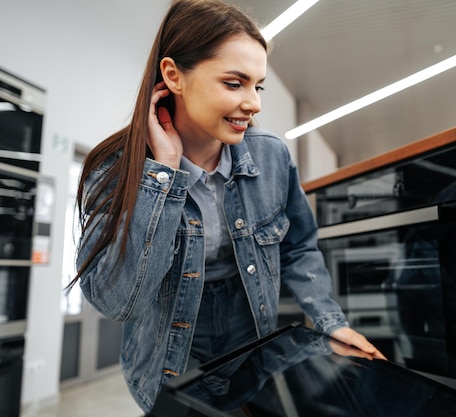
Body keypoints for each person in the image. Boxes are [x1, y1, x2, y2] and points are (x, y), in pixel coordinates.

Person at [71, 0, 385, 412]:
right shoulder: (118, 170)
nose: (254, 103)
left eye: (258, 86)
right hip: (170, 353)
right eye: (234, 84)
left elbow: (299, 247)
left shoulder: (272, 157)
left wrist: (331, 321)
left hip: (251, 336)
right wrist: (163, 176)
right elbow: (118, 303)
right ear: (173, 76)